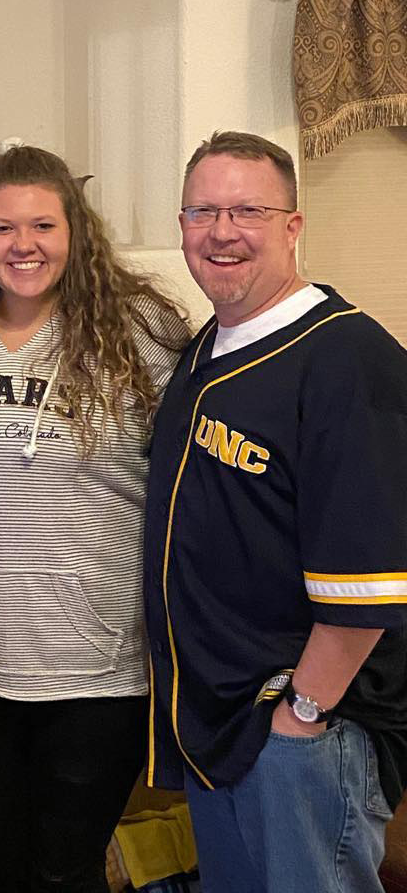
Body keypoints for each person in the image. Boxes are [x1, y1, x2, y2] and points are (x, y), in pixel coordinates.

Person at [0, 145, 190, 892]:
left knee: (65, 872)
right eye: (3, 228)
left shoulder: (142, 330)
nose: (23, 245)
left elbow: (191, 489)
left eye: (42, 224)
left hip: (98, 670)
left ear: (76, 231)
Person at [143, 130, 407, 892]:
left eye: (248, 210)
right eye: (203, 212)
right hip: (222, 724)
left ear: (293, 225)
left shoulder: (350, 362)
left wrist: (300, 718)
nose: (222, 232)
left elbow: (368, 589)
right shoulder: (211, 347)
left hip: (302, 734)